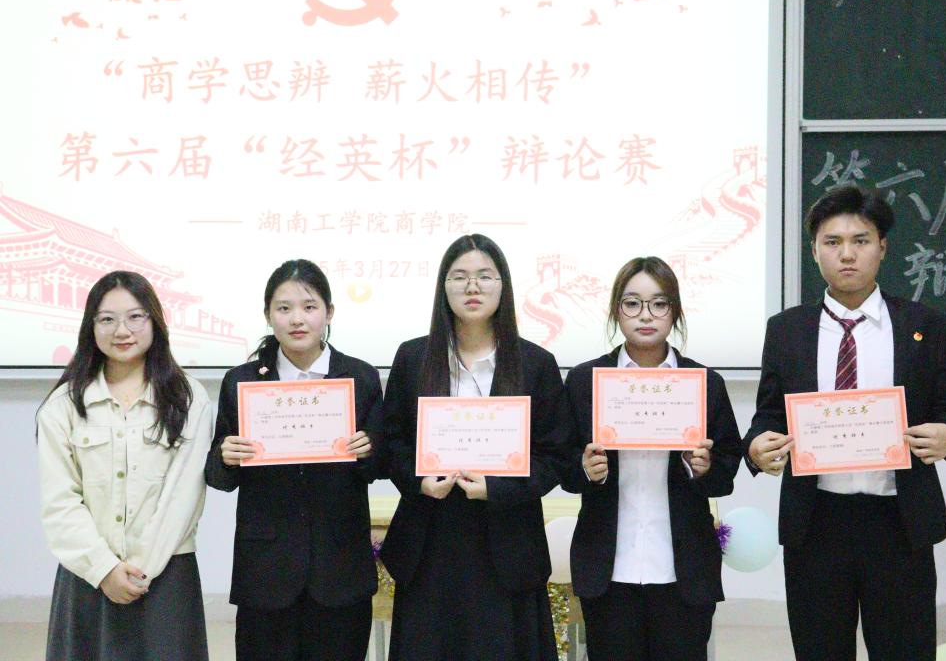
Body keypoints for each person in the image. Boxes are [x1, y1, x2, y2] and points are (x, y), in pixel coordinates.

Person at [744, 184, 946, 661]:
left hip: (898, 522)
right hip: (816, 522)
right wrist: (756, 446)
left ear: (882, 247)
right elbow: (768, 414)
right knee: (820, 650)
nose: (847, 254)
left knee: (905, 651)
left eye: (860, 240)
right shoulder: (786, 330)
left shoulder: (923, 324)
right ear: (814, 251)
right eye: (833, 242)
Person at [381, 234, 570, 661]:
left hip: (507, 545)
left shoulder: (535, 363)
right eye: (459, 277)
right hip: (431, 542)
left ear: (503, 286)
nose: (472, 287)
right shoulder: (413, 358)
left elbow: (555, 456)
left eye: (485, 276)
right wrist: (419, 480)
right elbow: (391, 442)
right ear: (443, 287)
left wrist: (498, 487)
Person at [561, 256, 741, 661]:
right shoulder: (586, 381)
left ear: (675, 312)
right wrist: (585, 470)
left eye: (659, 304)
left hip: (683, 570)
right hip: (609, 569)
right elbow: (562, 464)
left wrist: (704, 468)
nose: (646, 315)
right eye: (632, 304)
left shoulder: (704, 383)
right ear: (616, 311)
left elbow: (728, 468)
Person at [205, 259, 384, 661]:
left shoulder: (360, 377)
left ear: (329, 313)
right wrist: (226, 456)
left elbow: (379, 467)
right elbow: (219, 477)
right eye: (284, 308)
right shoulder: (242, 381)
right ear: (268, 315)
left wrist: (369, 449)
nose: (297, 319)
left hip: (340, 568)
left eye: (309, 306)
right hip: (266, 570)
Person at [37, 270, 213, 661]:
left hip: (166, 578)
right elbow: (59, 503)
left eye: (135, 317)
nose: (122, 330)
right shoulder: (64, 405)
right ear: (91, 326)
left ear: (155, 322)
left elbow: (184, 496)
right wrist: (105, 570)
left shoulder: (188, 398)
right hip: (88, 578)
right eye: (107, 319)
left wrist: (139, 571)